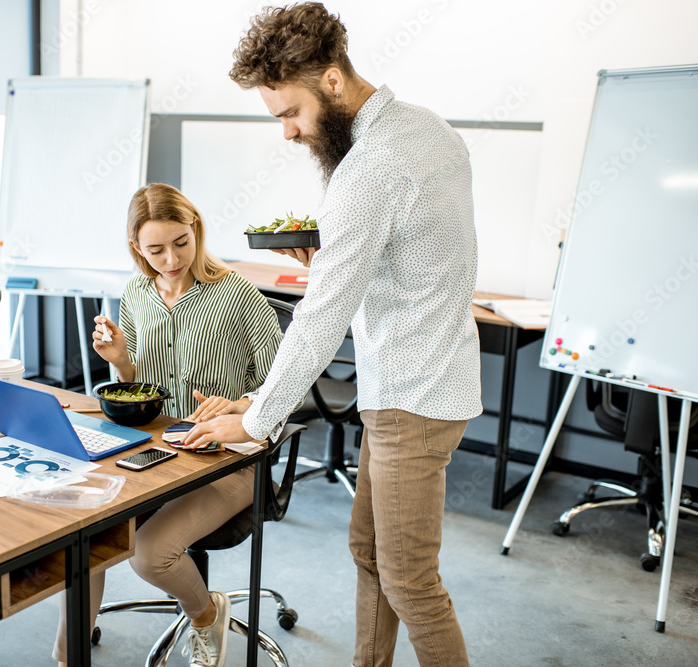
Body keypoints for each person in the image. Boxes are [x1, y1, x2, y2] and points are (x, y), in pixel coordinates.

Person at [185, 4, 482, 666]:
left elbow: (321, 318)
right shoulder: (425, 129)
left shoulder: (368, 168)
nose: (287, 133)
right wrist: (337, 260)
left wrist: (258, 418)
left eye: (290, 112)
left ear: (332, 82)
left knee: (411, 580)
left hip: (414, 393)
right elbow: (422, 255)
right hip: (419, 378)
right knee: (368, 550)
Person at [54, 183, 284, 667]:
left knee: (149, 552)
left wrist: (240, 405)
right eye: (155, 249)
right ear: (137, 247)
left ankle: (206, 615)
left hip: (230, 459)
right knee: (84, 534)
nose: (171, 258)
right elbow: (136, 384)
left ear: (196, 230)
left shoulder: (236, 293)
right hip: (156, 449)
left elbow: (286, 384)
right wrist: (121, 361)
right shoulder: (136, 292)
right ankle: (67, 657)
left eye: (181, 242)